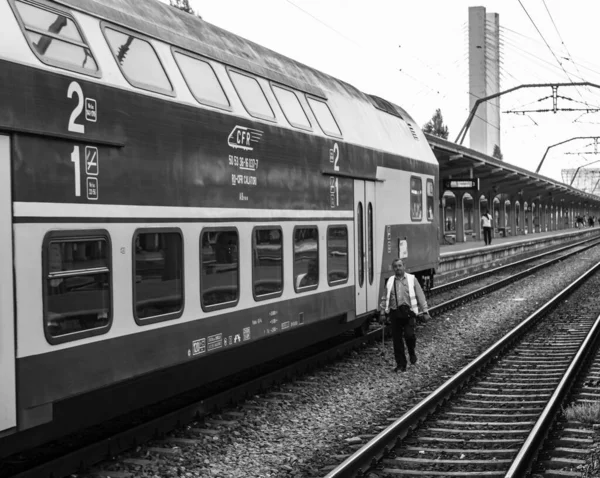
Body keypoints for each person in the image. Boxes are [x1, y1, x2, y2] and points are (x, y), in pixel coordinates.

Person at [382, 258, 431, 373]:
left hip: (409, 313)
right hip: (395, 313)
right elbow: (385, 298)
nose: (398, 268)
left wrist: (425, 311)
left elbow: (420, 296)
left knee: (409, 336)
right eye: (395, 266)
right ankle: (401, 364)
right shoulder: (390, 281)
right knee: (397, 341)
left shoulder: (411, 279)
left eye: (400, 266)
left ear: (404, 266)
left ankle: (411, 352)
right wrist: (382, 312)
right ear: (393, 268)